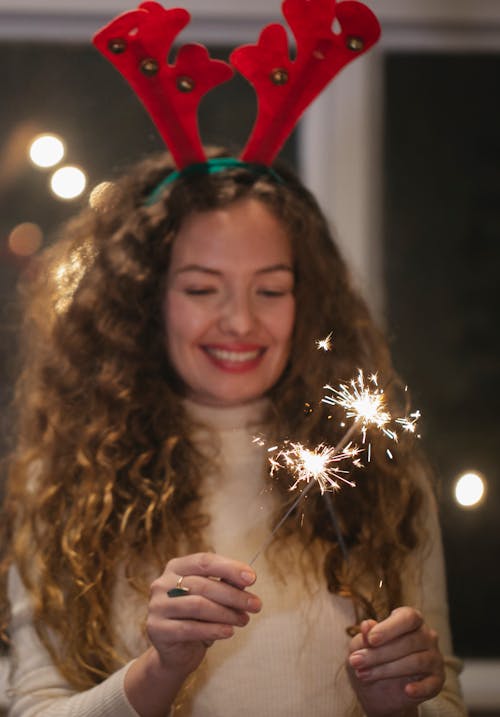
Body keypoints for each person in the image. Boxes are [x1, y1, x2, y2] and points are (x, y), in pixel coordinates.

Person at [0, 146, 467, 717]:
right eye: (201, 289)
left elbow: (442, 699)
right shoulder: (66, 482)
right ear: (148, 300)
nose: (242, 322)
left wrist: (402, 706)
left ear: (306, 299)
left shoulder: (382, 471)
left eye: (269, 290)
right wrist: (159, 670)